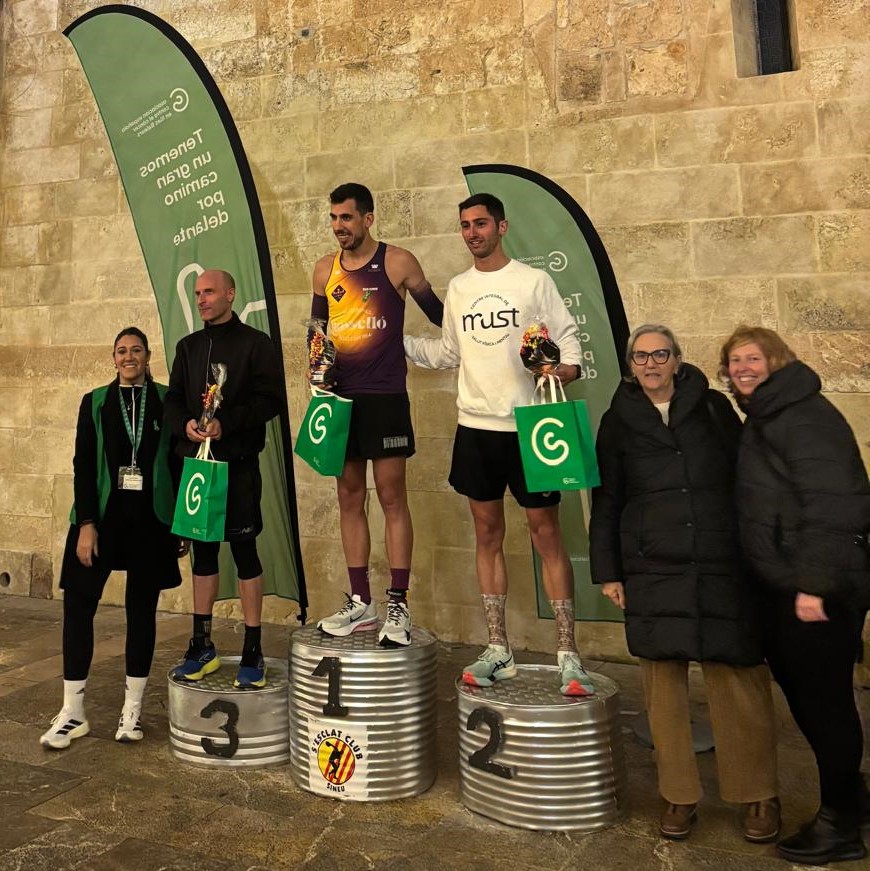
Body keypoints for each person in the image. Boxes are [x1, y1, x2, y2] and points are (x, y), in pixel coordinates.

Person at [589, 324, 780, 842]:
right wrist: (608, 570)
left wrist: (760, 552)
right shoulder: (617, 420)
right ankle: (677, 795)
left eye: (660, 354)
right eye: (641, 357)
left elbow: (747, 479)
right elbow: (607, 498)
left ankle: (758, 793)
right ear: (630, 365)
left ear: (677, 359)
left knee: (737, 674)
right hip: (652, 565)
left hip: (719, 558)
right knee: (662, 684)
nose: (650, 364)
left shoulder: (713, 408)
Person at [404, 192, 594, 696]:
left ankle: (568, 655)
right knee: (486, 535)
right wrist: (394, 346)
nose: (473, 233)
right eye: (465, 225)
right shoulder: (459, 288)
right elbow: (449, 352)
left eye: (481, 224)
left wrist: (564, 370)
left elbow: (568, 339)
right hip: (475, 429)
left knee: (545, 535)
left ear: (502, 227)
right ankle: (498, 649)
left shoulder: (533, 281)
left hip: (532, 427)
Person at [721, 326, 869, 864]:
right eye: (734, 361)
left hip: (814, 592)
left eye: (753, 358)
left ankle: (840, 825)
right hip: (788, 588)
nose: (743, 368)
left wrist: (813, 586)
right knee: (812, 700)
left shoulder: (803, 416)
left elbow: (836, 504)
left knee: (825, 706)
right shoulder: (769, 415)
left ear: (777, 361)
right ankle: (852, 799)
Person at [311, 183, 443, 647]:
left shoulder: (398, 262)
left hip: (385, 398)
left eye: (346, 217)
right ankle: (360, 601)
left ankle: (398, 604)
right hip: (342, 401)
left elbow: (442, 315)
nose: (339, 226)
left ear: (367, 219)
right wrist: (316, 370)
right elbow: (317, 332)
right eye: (334, 218)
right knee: (349, 497)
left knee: (391, 497)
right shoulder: (324, 269)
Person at [40, 328, 184, 749]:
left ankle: (132, 711)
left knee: (142, 612)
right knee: (77, 606)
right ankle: (73, 712)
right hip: (101, 521)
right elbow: (83, 463)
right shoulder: (96, 401)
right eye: (121, 351)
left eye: (136, 350)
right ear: (114, 358)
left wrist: (182, 523)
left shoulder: (167, 399)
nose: (128, 356)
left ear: (148, 355)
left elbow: (179, 462)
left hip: (151, 522)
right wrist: (86, 523)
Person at [165, 269, 284, 688]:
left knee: (246, 553)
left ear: (231, 294)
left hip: (238, 466)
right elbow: (173, 400)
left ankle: (253, 649)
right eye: (197, 293)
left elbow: (271, 401)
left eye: (209, 292)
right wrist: (186, 426)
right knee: (203, 557)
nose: (201, 299)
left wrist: (226, 424)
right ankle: (202, 645)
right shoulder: (188, 347)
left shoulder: (256, 344)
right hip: (198, 469)